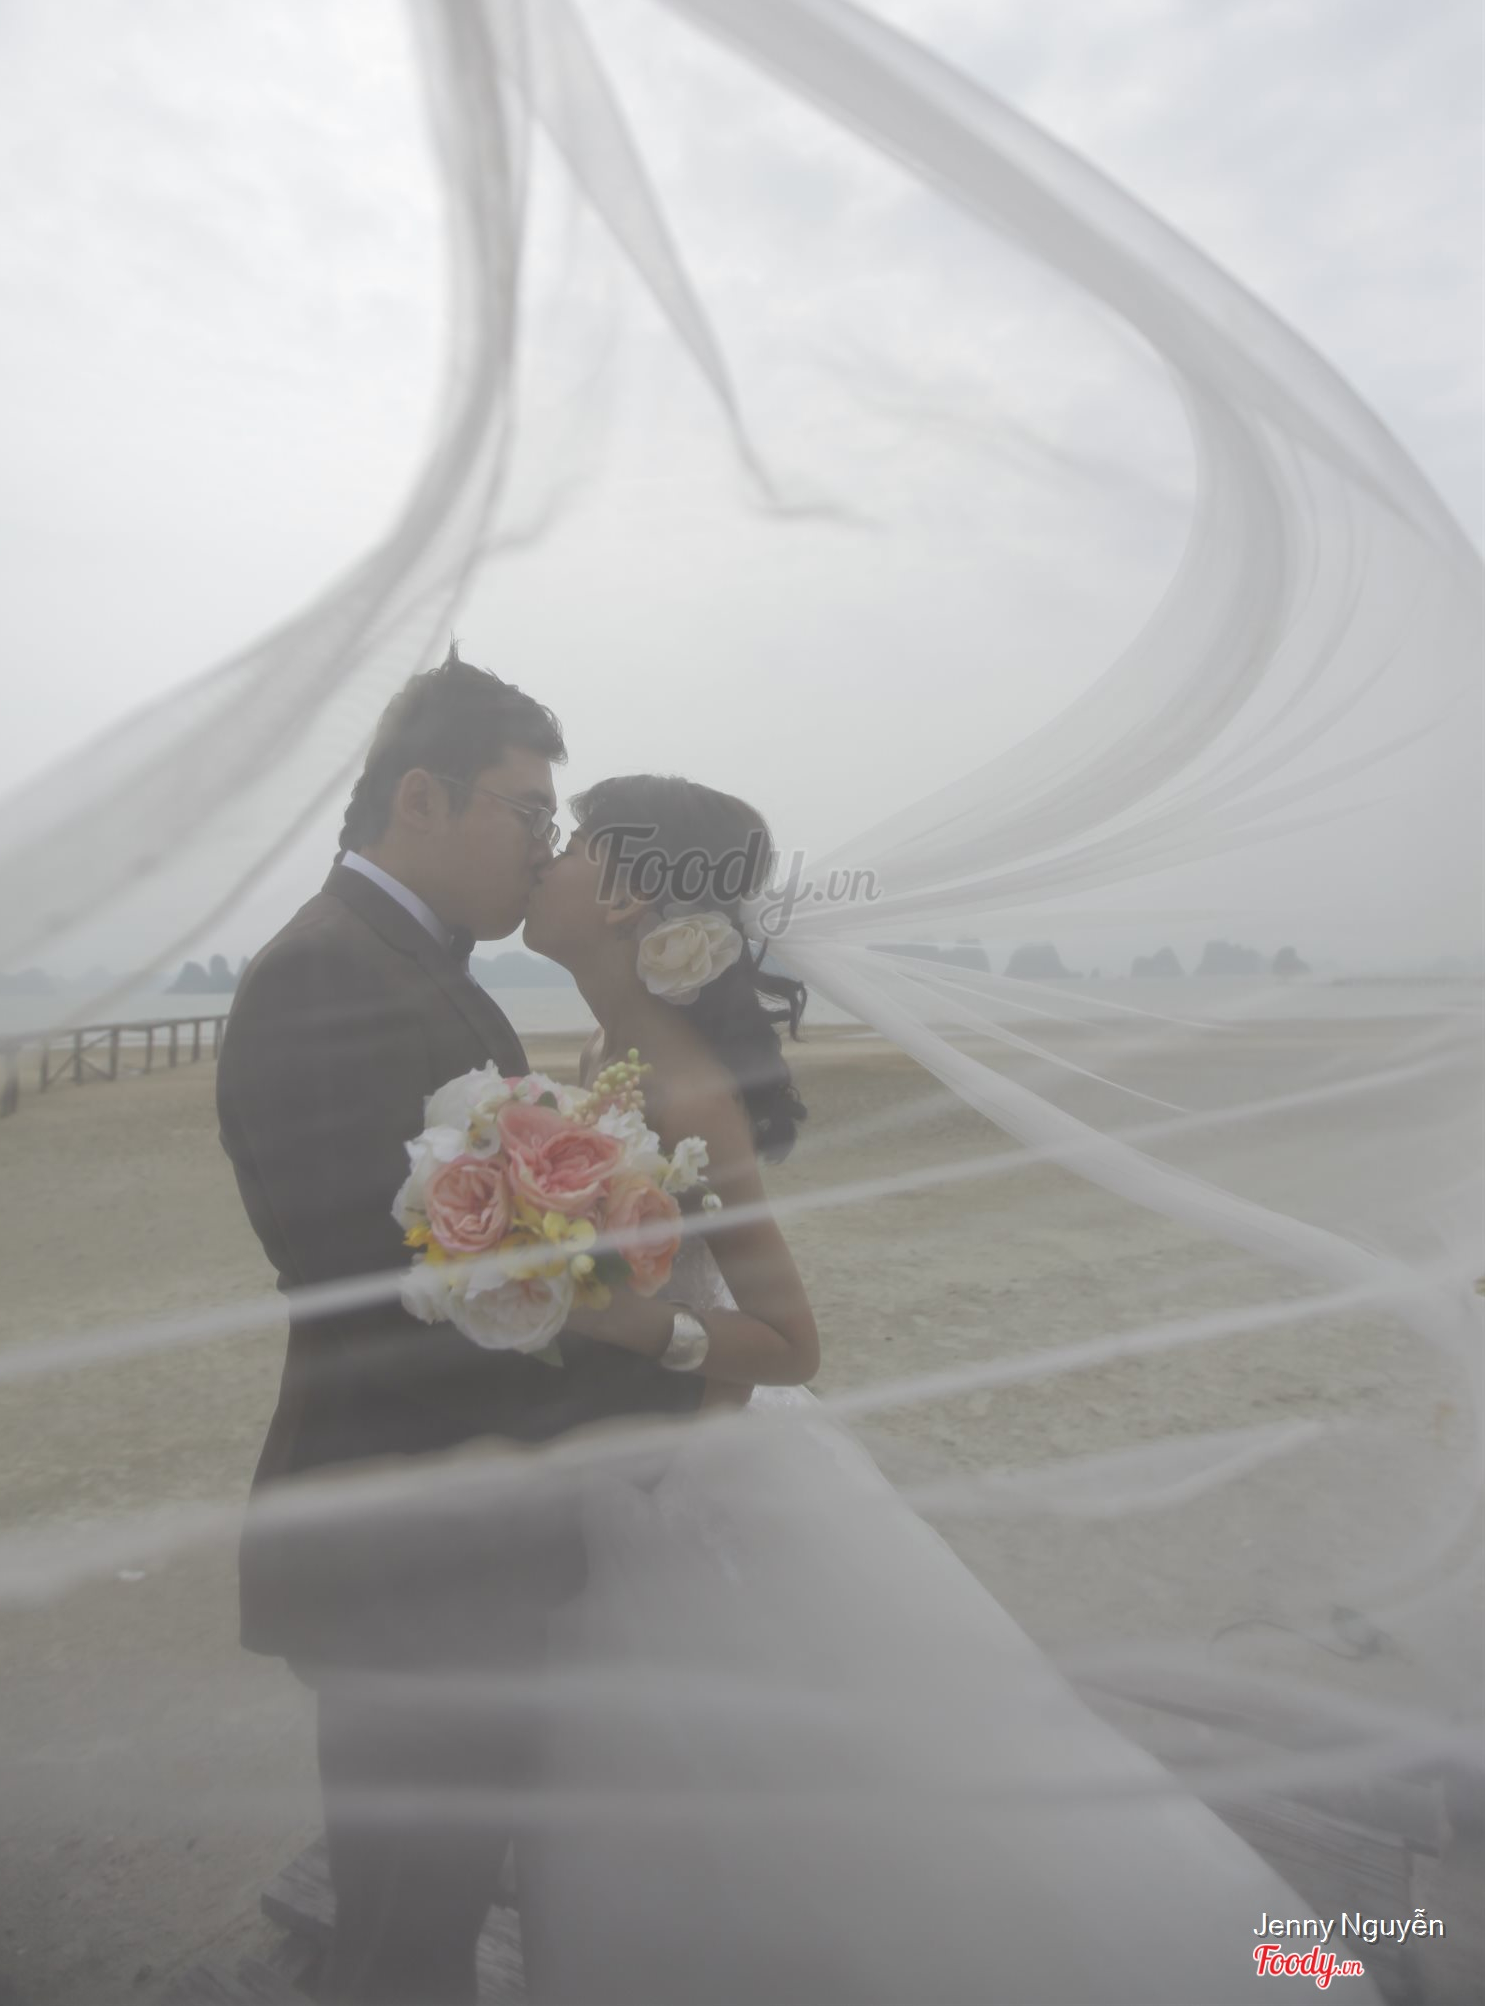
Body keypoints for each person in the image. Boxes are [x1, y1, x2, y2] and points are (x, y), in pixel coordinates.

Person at [510, 774, 1374, 2006]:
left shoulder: (686, 1088)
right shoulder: (606, 1052)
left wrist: (636, 1325)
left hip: (692, 1493)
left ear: (627, 893)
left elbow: (792, 1342)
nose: (546, 854)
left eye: (574, 840)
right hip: (623, 1467)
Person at [214, 649, 708, 2006]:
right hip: (406, 1546)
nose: (544, 845)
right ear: (422, 798)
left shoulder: (415, 967)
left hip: (449, 1540)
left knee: (426, 1914)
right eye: (528, 812)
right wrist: (657, 1380)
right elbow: (391, 1301)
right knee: (405, 1940)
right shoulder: (326, 974)